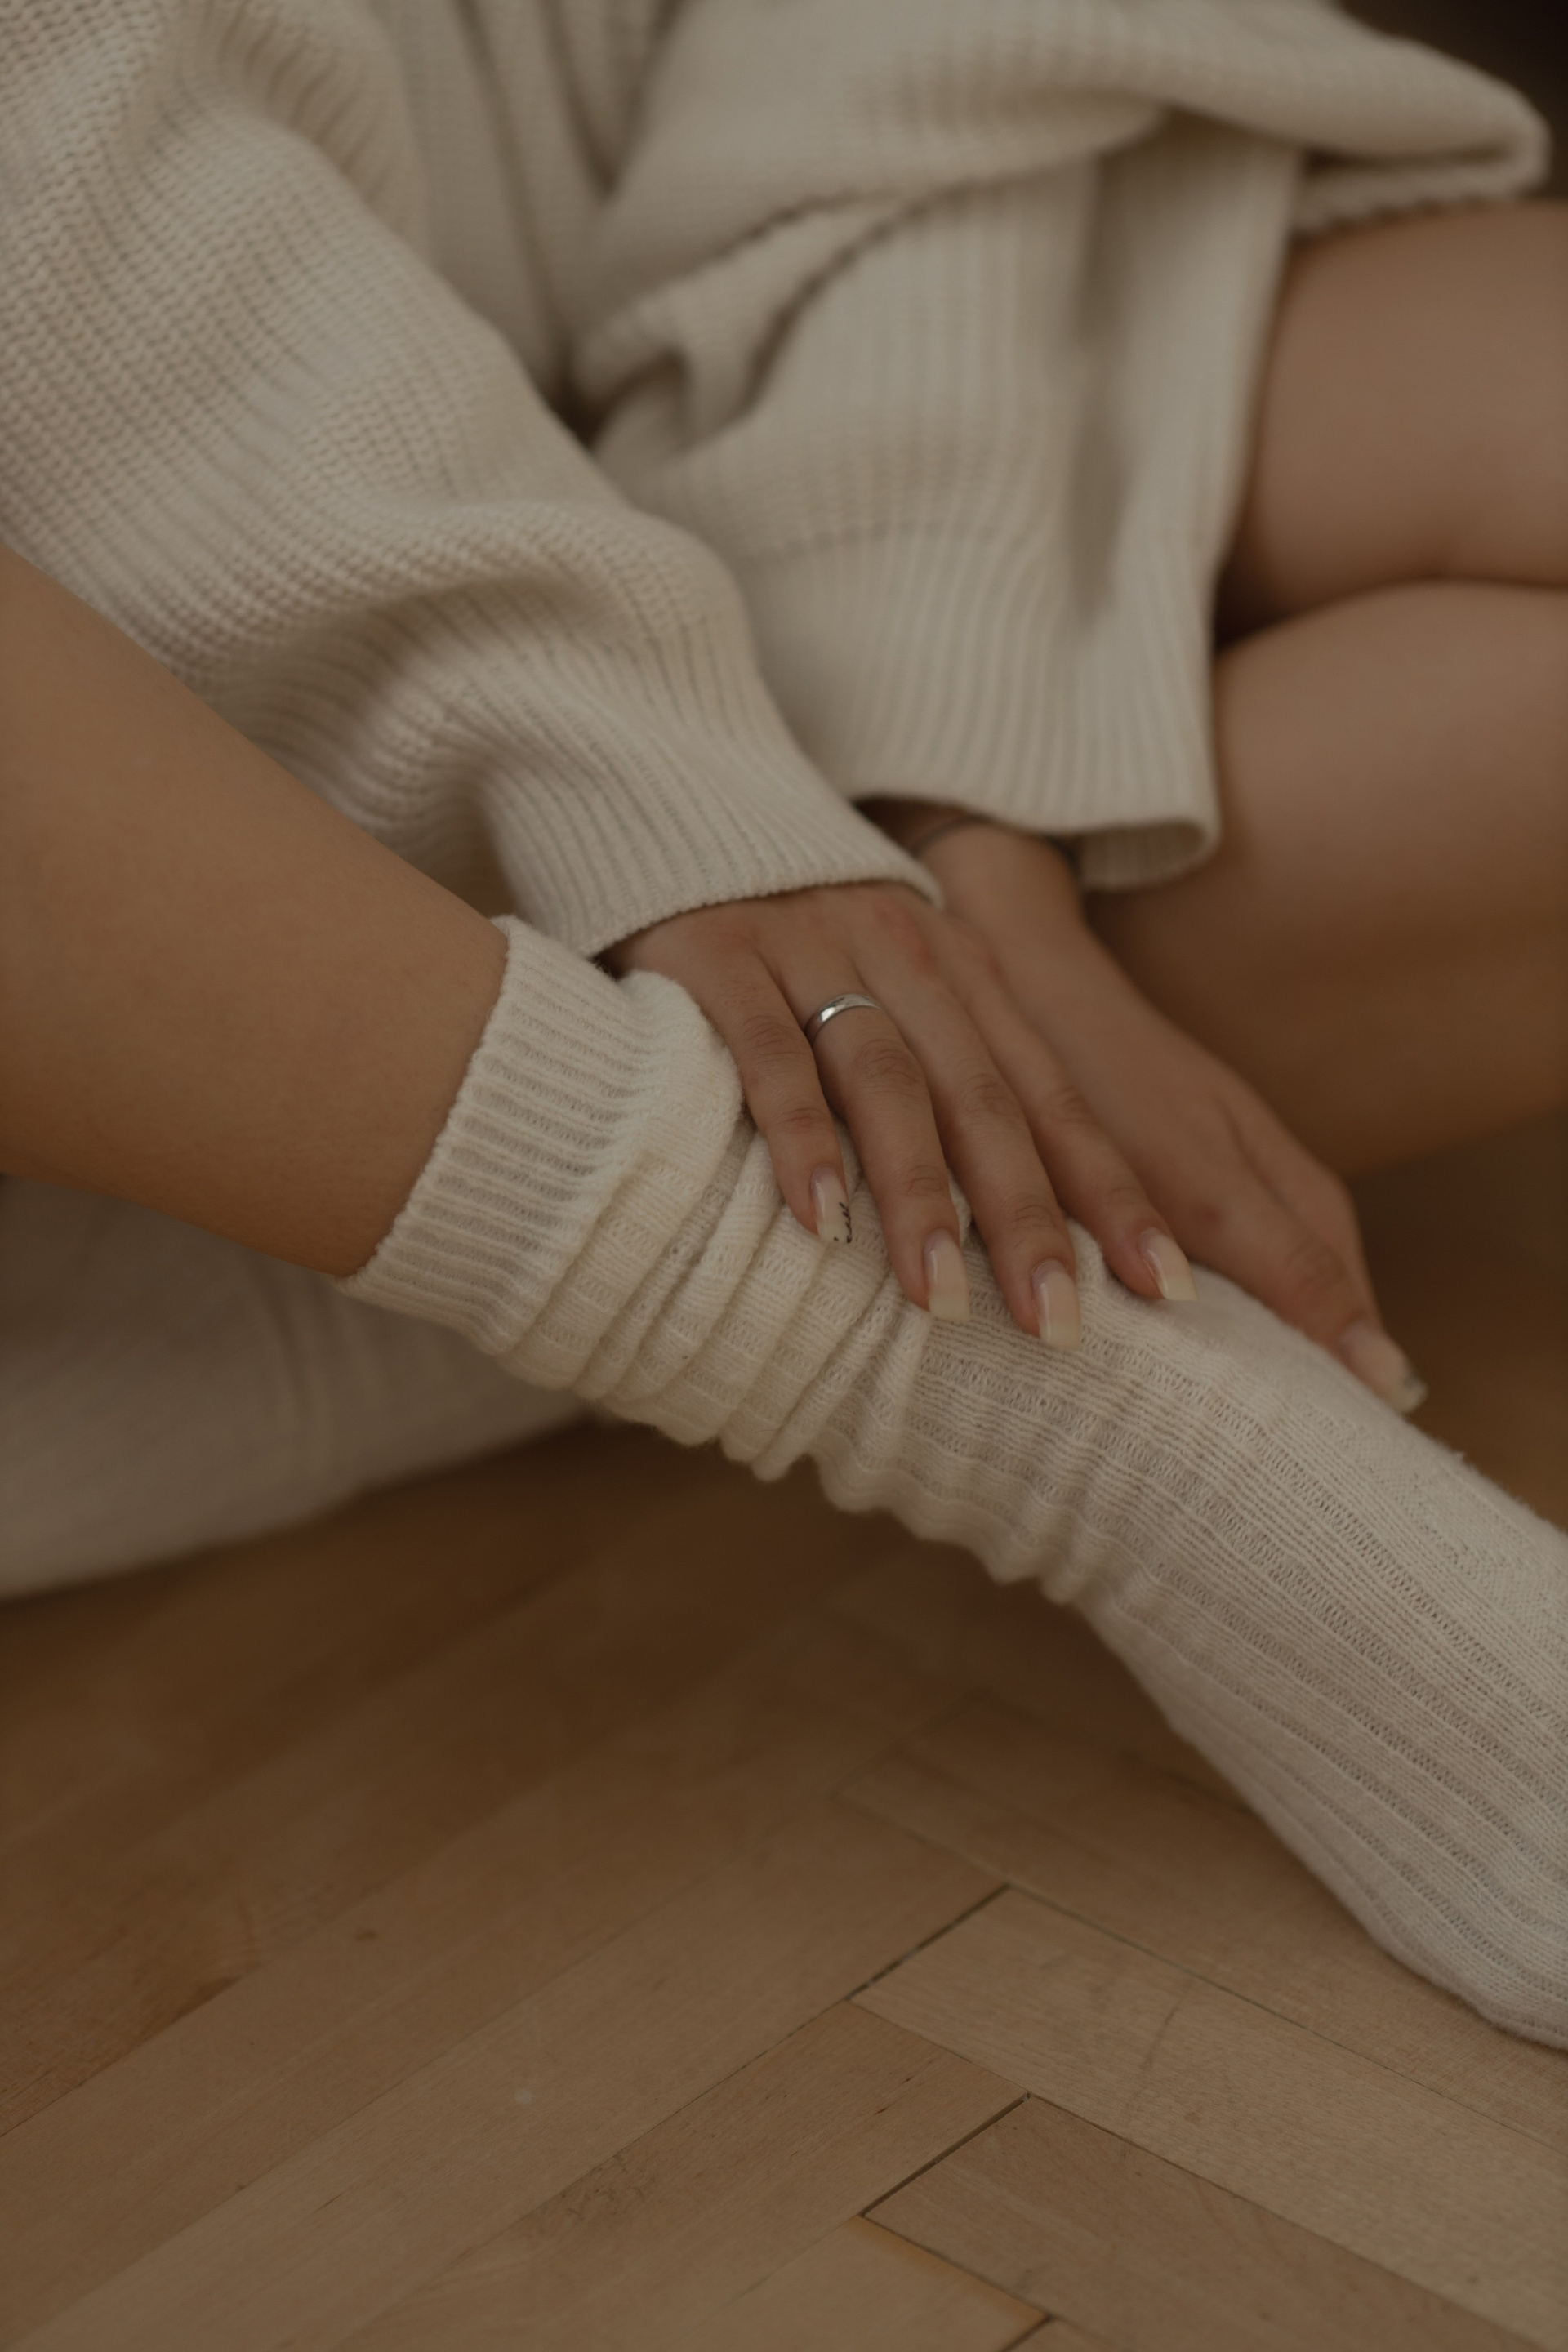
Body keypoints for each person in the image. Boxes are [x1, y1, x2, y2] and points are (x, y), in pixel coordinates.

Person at [1, 0, 1564, 2042]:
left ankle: (584, 1203)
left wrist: (939, 777)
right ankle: (1049, 1411)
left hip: (683, 237)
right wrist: (645, 774)